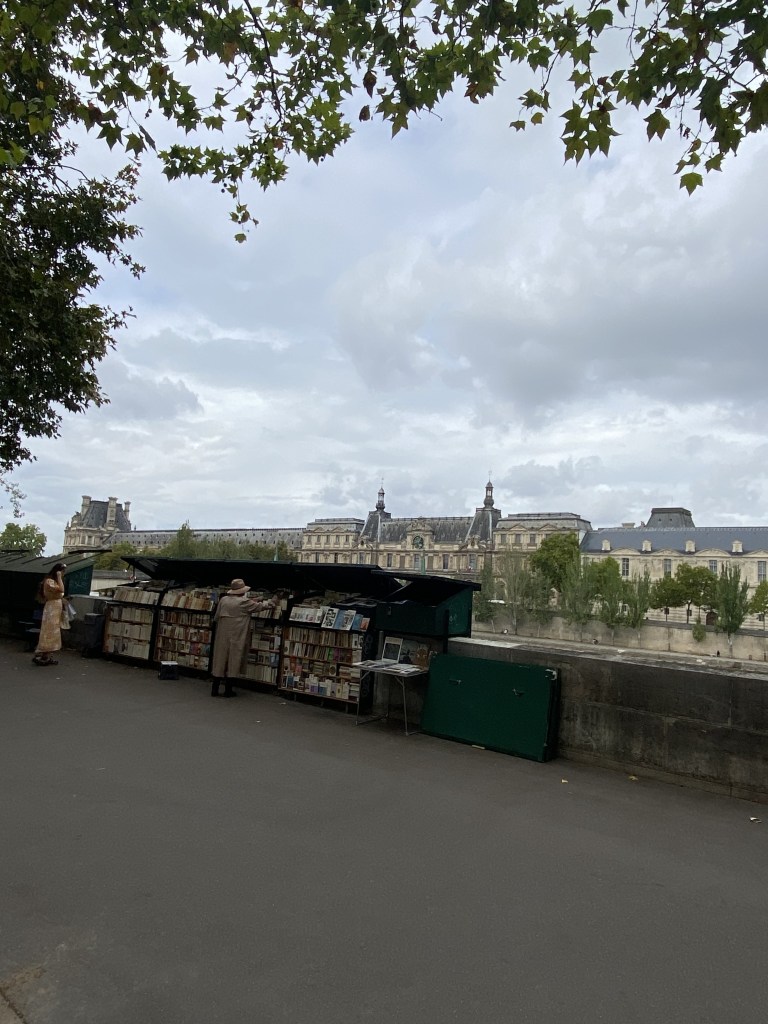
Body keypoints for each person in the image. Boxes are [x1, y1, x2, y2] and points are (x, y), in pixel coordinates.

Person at [210, 579, 275, 697]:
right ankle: (228, 690)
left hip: (222, 635)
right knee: (233, 660)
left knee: (220, 660)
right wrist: (272, 602)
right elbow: (259, 607)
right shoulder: (244, 602)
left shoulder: (224, 600)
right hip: (236, 635)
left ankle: (215, 688)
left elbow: (216, 617)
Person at [32, 562, 66, 666]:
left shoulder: (53, 581)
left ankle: (48, 655)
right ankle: (43, 653)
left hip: (56, 607)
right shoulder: (49, 581)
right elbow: (61, 589)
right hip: (51, 608)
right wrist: (60, 577)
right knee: (49, 631)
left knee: (54, 631)